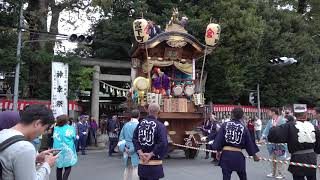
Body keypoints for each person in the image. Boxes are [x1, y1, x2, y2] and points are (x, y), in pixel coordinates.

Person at [0, 104, 57, 180]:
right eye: (45, 128)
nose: (43, 133)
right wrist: (47, 165)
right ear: (37, 124)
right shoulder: (25, 147)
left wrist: (36, 158)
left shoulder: (4, 132)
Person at [268, 107, 320, 180]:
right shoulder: (314, 126)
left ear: (295, 115)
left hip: (297, 157)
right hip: (311, 157)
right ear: (305, 115)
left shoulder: (289, 126)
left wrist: (273, 127)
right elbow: (318, 146)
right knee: (312, 178)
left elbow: (273, 136)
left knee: (298, 178)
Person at [211, 108, 260, 180]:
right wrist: (254, 155)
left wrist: (218, 151)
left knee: (226, 177)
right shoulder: (243, 127)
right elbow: (249, 143)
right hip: (238, 155)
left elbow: (219, 140)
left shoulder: (225, 125)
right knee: (243, 176)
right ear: (242, 116)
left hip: (226, 154)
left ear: (232, 115)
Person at [133, 103, 168, 180]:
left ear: (148, 111)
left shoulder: (140, 124)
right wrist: (152, 154)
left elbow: (134, 138)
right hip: (154, 165)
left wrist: (140, 152)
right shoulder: (160, 126)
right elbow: (163, 143)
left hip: (142, 162)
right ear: (159, 112)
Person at [260, 108, 287, 179]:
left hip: (280, 144)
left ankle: (281, 173)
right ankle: (273, 172)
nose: (268, 113)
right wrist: (262, 137)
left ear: (273, 112)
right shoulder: (270, 121)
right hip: (271, 144)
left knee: (280, 158)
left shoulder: (282, 120)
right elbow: (266, 130)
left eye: (269, 112)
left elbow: (284, 131)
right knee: (273, 158)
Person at [53, 115, 78, 180]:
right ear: (66, 121)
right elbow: (74, 137)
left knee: (59, 167)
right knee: (68, 166)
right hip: (67, 149)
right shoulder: (70, 128)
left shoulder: (56, 128)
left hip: (57, 149)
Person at [118, 110, 140, 180]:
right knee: (135, 168)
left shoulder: (126, 125)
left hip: (126, 149)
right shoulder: (139, 125)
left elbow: (121, 138)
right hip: (135, 149)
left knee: (127, 168)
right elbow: (140, 140)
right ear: (139, 116)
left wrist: (125, 148)